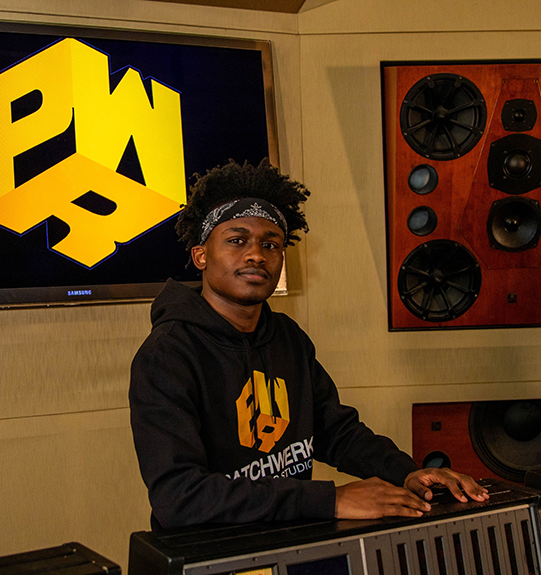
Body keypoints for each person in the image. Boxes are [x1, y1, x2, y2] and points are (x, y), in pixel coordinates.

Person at [129, 159, 489, 529]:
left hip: (289, 538)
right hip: (211, 550)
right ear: (201, 255)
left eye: (271, 244)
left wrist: (406, 473)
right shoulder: (167, 354)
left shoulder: (287, 337)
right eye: (237, 241)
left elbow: (335, 431)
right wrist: (330, 500)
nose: (256, 255)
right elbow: (179, 497)